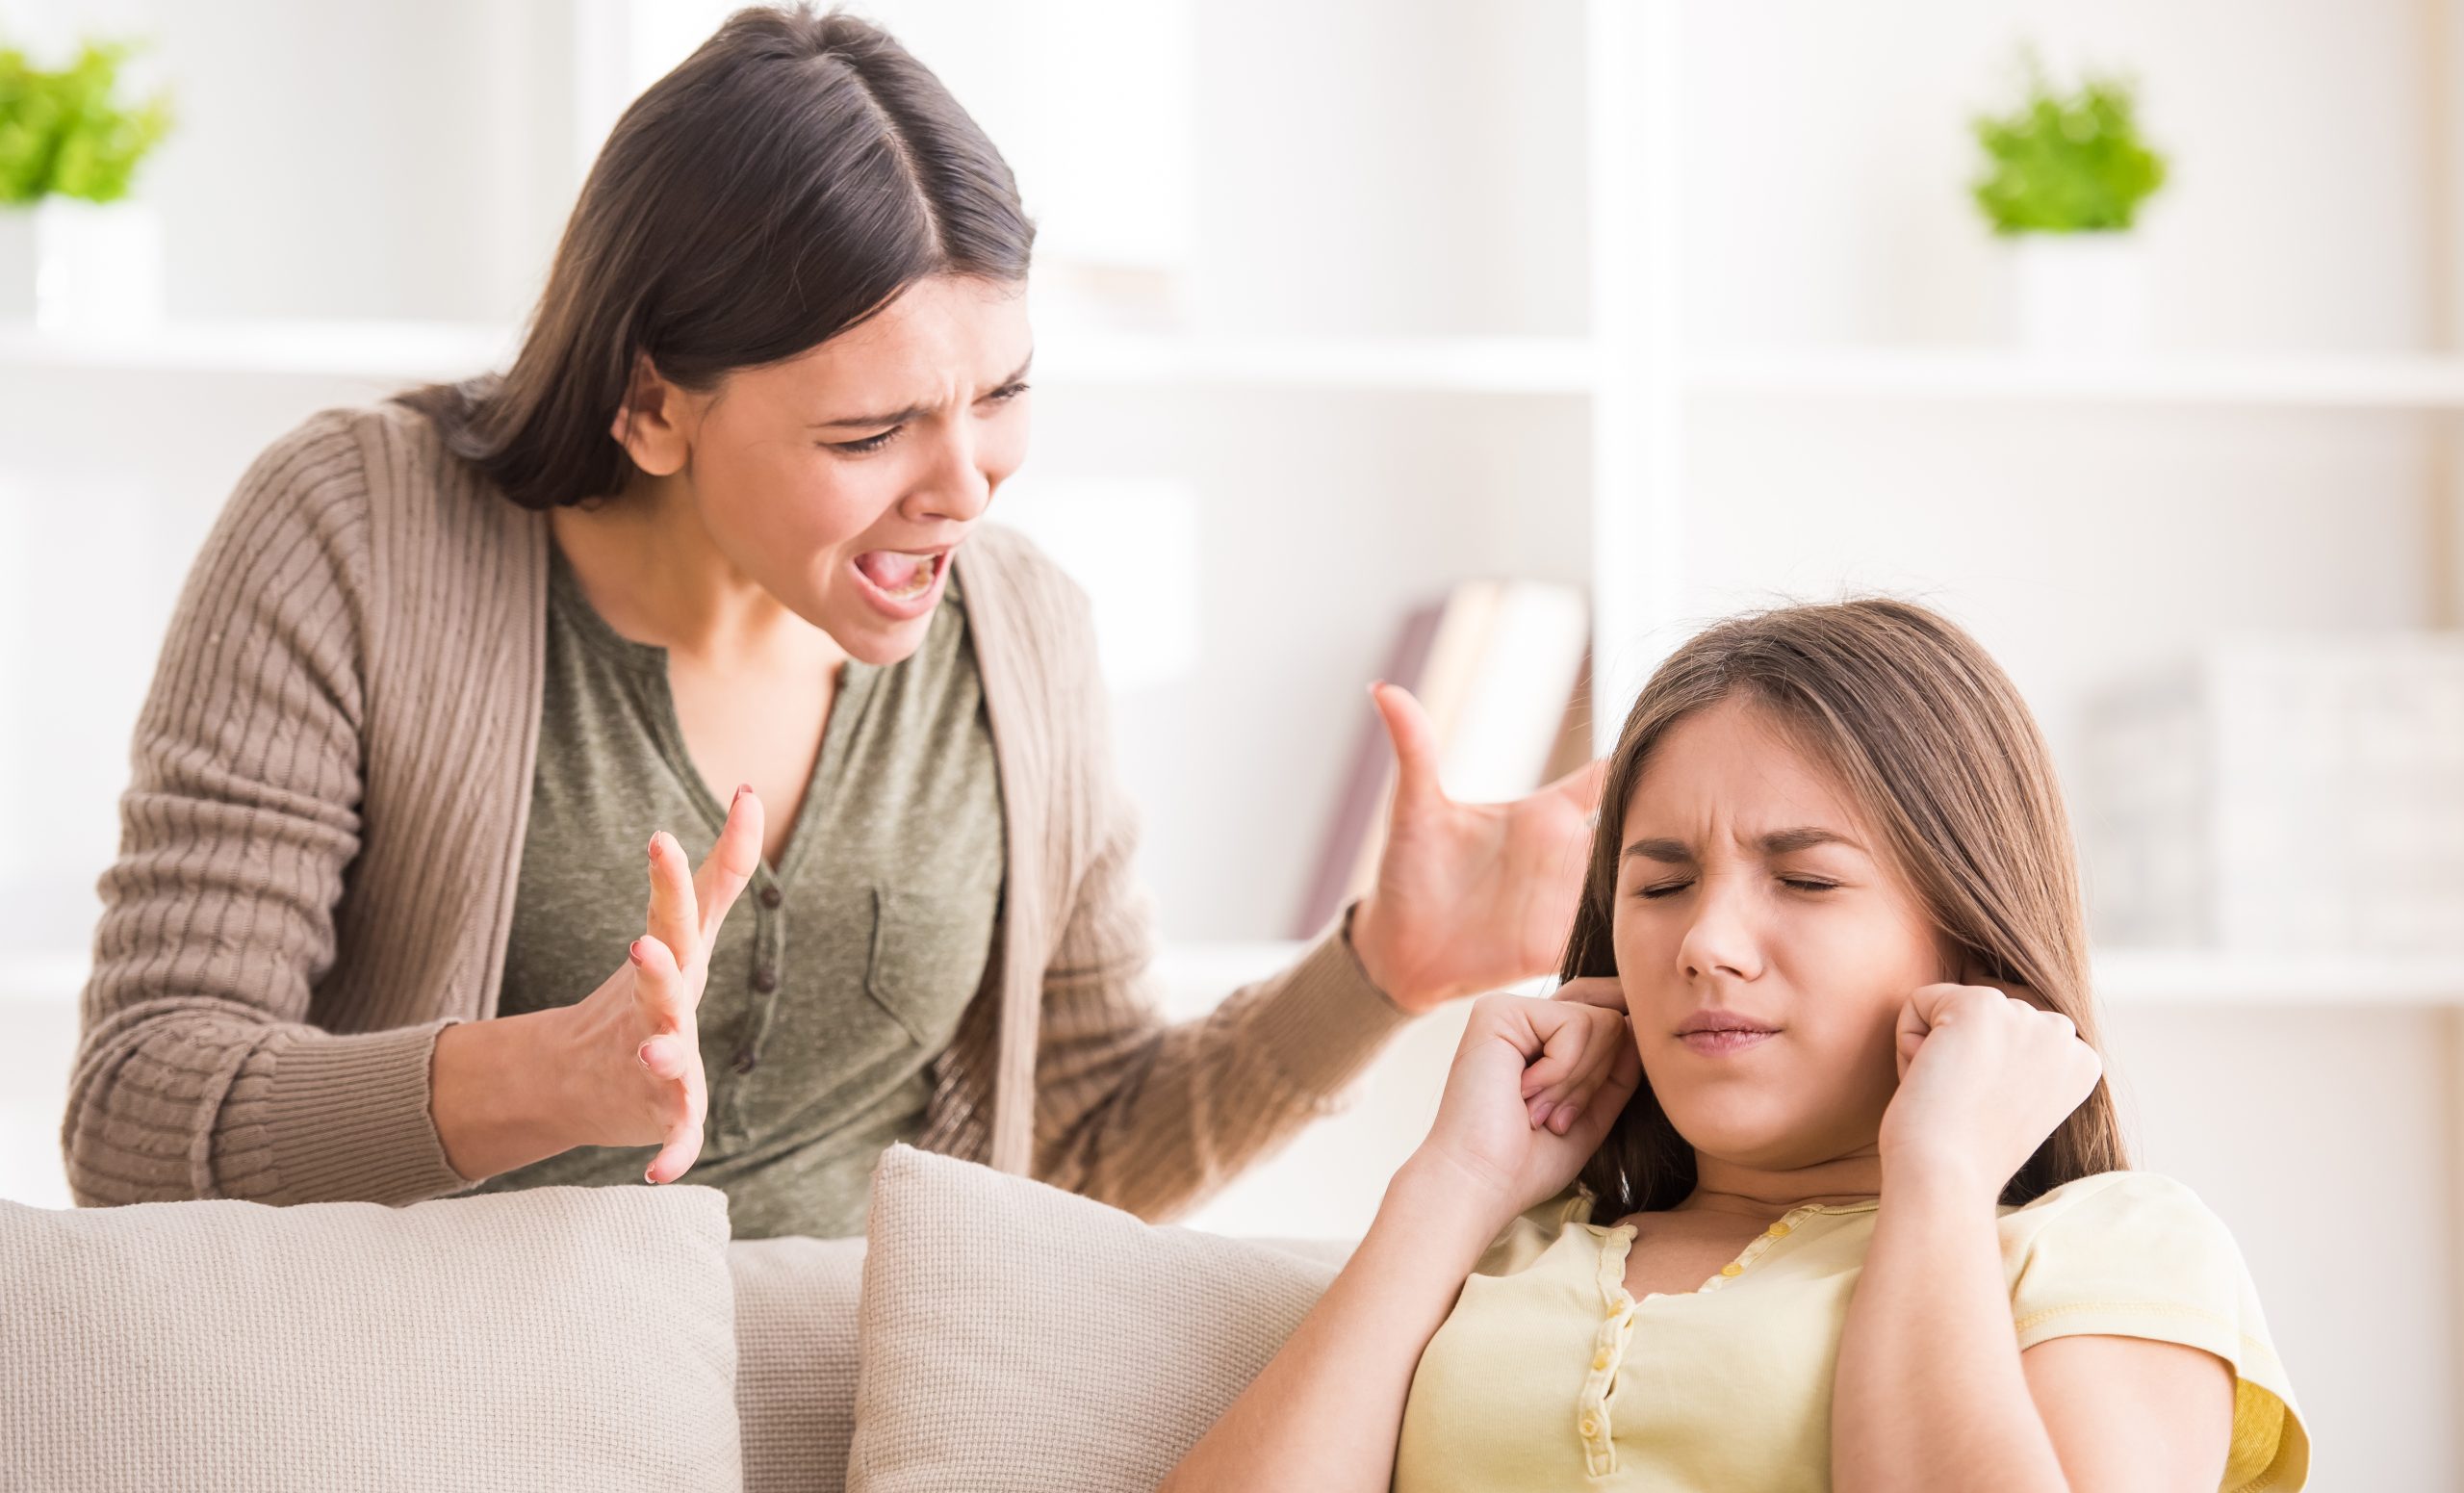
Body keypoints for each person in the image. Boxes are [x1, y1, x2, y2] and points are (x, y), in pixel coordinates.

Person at [60, 6, 1600, 1237]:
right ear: (653, 400)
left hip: (875, 1473)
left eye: (999, 398)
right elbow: (137, 1118)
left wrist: (1381, 969)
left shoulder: (1023, 639)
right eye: (870, 435)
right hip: (469, 1468)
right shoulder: (358, 533)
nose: (965, 490)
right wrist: (548, 1077)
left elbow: (1070, 1159)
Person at [853, 596, 2310, 1493]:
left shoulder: (2105, 1246)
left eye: (1802, 881)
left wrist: (1933, 1181)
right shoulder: (1515, 1248)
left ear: (1965, 940)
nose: (1708, 944)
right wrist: (1454, 1183)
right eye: (1663, 882)